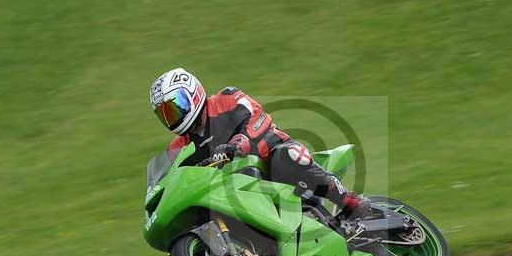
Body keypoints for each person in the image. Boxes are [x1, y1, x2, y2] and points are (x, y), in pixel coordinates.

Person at [150, 67, 371, 220]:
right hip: (231, 185)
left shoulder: (226, 99)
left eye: (174, 106)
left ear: (193, 94)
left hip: (269, 157)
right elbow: (170, 179)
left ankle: (348, 201)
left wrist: (237, 144)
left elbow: (258, 117)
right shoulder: (178, 146)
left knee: (286, 158)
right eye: (165, 114)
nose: (172, 116)